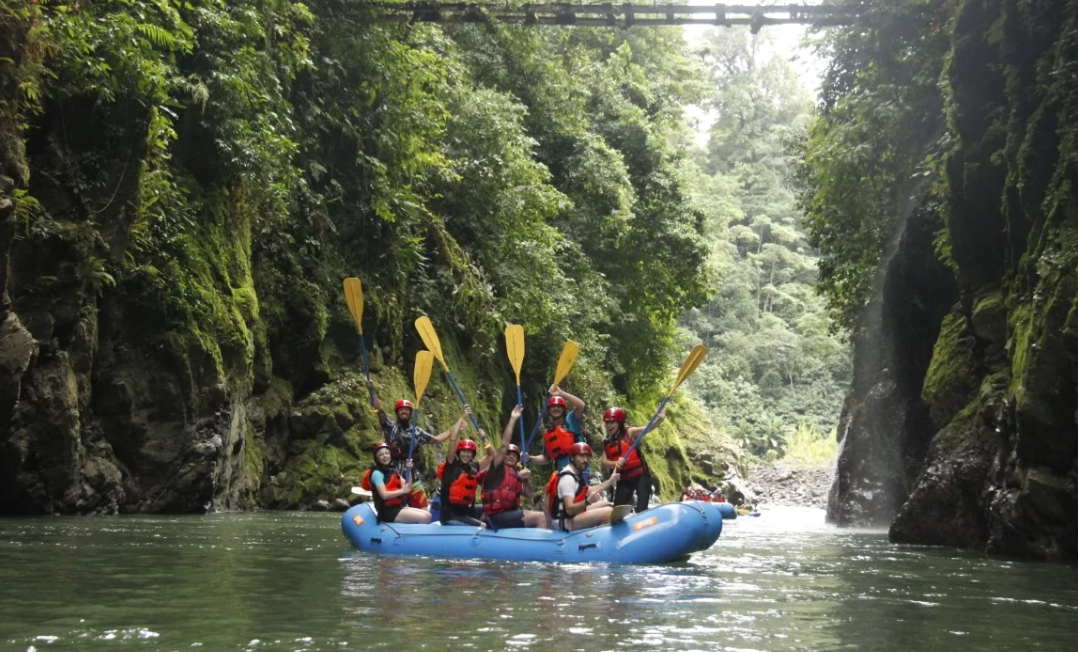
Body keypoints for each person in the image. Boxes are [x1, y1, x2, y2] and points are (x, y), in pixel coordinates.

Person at [368, 378, 469, 508]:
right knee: (395, 507)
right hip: (394, 476)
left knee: (422, 508)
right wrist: (372, 391)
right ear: (397, 412)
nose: (404, 412)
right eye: (401, 410)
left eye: (407, 410)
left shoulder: (416, 431)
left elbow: (437, 439)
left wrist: (456, 426)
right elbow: (379, 410)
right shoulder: (390, 427)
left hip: (413, 476)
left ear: (410, 413)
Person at [479, 405, 548, 529]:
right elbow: (504, 445)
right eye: (508, 455)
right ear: (503, 457)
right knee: (540, 517)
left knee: (542, 516)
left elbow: (529, 495)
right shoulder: (497, 468)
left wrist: (525, 479)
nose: (510, 457)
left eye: (514, 456)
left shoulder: (517, 474)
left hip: (508, 514)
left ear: (517, 460)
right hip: (495, 516)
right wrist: (513, 419)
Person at [600, 406, 664, 513]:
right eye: (607, 423)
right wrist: (616, 463)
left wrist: (660, 420)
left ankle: (643, 515)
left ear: (619, 423)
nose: (609, 426)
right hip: (625, 479)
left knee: (642, 507)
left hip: (640, 475)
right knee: (617, 510)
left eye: (612, 422)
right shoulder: (607, 441)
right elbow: (604, 462)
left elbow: (648, 428)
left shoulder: (629, 432)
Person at [550, 442, 620, 531]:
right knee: (609, 512)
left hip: (573, 515)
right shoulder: (568, 478)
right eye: (581, 456)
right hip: (565, 522)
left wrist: (610, 481)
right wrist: (588, 501)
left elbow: (588, 490)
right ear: (572, 457)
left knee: (604, 503)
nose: (585, 460)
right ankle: (594, 536)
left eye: (587, 456)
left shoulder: (577, 473)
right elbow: (569, 510)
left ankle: (595, 530)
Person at [440, 420, 494, 527]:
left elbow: (491, 455)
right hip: (451, 515)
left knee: (491, 509)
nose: (466, 454)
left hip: (465, 511)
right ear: (459, 453)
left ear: (472, 455)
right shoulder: (451, 465)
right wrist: (458, 427)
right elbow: (452, 440)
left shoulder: (474, 468)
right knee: (484, 526)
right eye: (463, 451)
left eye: (469, 452)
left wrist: (484, 438)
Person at [370, 443, 431, 524]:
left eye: (387, 453)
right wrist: (401, 491)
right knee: (424, 518)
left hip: (397, 507)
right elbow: (384, 495)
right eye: (381, 455)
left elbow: (408, 488)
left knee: (428, 515)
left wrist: (409, 469)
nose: (385, 456)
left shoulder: (393, 471)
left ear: (390, 455)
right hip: (386, 512)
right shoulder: (377, 474)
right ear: (377, 459)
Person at [527, 385, 585, 471]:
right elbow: (546, 458)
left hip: (578, 470)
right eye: (553, 406)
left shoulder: (570, 419)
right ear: (549, 411)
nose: (556, 408)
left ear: (564, 409)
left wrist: (561, 393)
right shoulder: (549, 432)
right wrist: (530, 458)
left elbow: (581, 405)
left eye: (559, 406)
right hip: (561, 471)